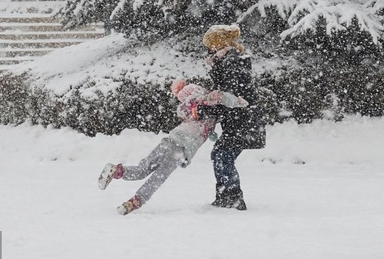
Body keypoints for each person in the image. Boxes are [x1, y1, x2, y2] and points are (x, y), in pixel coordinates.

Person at [98, 79, 249, 215]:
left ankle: (117, 171)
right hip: (180, 149)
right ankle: (136, 201)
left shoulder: (193, 109)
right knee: (157, 179)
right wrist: (240, 102)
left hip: (170, 141)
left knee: (142, 169)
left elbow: (199, 123)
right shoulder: (205, 102)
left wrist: (211, 131)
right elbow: (223, 97)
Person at [196, 24, 266, 210]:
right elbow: (224, 95)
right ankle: (227, 196)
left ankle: (232, 197)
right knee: (220, 154)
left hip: (243, 120)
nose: (208, 49)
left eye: (210, 44)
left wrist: (208, 107)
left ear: (219, 43)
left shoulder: (231, 61)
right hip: (240, 120)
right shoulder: (226, 61)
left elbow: (228, 95)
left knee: (222, 155)